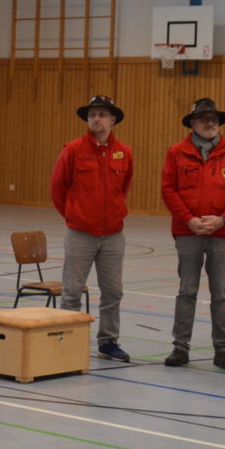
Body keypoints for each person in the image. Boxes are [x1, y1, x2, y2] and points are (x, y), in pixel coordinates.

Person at [161, 97, 225, 370]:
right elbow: (168, 190)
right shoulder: (176, 152)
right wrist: (189, 220)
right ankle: (180, 347)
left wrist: (223, 219)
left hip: (222, 232)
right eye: (203, 118)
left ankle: (223, 349)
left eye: (213, 118)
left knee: (220, 292)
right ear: (193, 123)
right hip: (188, 232)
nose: (210, 122)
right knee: (187, 290)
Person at [50, 95, 134, 361]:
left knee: (113, 291)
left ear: (113, 119)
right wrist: (75, 216)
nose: (96, 119)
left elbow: (124, 188)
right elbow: (57, 188)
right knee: (72, 291)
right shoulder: (73, 150)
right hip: (80, 234)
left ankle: (108, 341)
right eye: (92, 115)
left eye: (102, 114)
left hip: (113, 235)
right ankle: (66, 342)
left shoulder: (125, 152)